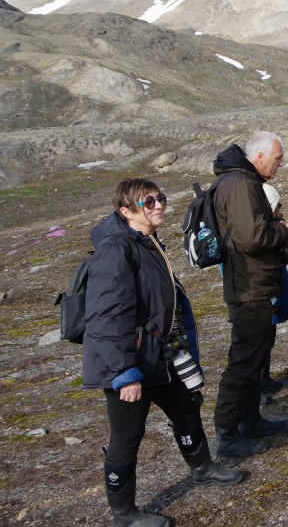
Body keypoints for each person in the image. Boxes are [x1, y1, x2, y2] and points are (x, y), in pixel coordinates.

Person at [84, 178, 242, 527]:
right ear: (125, 211)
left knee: (186, 409)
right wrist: (123, 372)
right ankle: (123, 515)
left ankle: (201, 468)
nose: (158, 206)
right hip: (131, 362)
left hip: (160, 354)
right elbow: (107, 317)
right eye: (148, 202)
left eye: (161, 199)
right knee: (127, 438)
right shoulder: (116, 250)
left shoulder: (146, 242)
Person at [211, 131, 288, 456]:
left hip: (253, 284)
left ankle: (250, 421)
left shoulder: (239, 181)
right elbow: (252, 237)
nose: (280, 164)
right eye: (277, 159)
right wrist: (283, 230)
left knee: (254, 356)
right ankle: (228, 435)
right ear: (259, 157)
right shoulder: (241, 185)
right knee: (244, 362)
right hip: (249, 289)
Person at [259, 183, 288, 396]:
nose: (280, 210)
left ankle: (263, 380)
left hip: (267, 291)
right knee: (260, 340)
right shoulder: (256, 233)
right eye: (276, 207)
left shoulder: (265, 228)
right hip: (262, 294)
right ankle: (258, 388)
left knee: (267, 337)